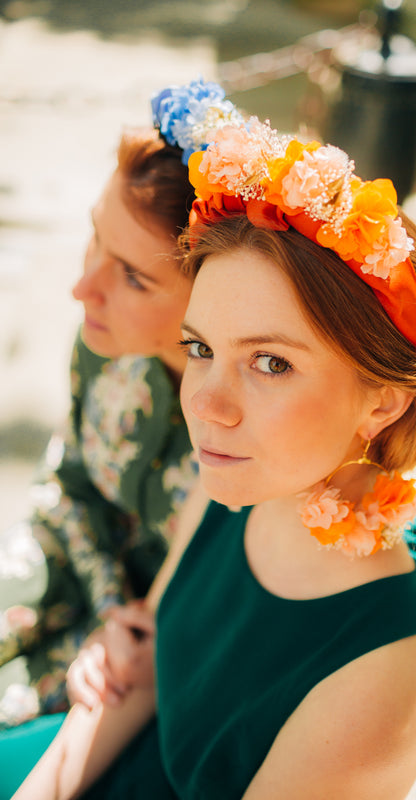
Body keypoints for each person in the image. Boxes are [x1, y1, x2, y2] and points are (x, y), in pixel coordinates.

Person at [3, 114, 416, 800]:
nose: (204, 404)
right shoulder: (237, 483)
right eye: (200, 349)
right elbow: (143, 680)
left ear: (381, 402)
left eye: (269, 362)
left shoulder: (382, 671)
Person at [0, 79, 243, 728]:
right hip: (74, 571)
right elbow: (69, 482)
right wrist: (108, 603)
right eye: (94, 240)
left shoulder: (253, 429)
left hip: (167, 656)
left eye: (133, 276)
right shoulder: (105, 344)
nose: (83, 288)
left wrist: (123, 633)